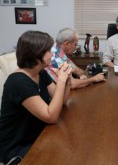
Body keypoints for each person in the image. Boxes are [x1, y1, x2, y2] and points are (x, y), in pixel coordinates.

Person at [0, 30, 72, 164]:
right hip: (17, 147)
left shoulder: (40, 73)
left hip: (38, 135)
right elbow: (51, 117)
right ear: (35, 55)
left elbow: (61, 101)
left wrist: (67, 80)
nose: (52, 54)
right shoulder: (18, 82)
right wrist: (60, 80)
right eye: (48, 51)